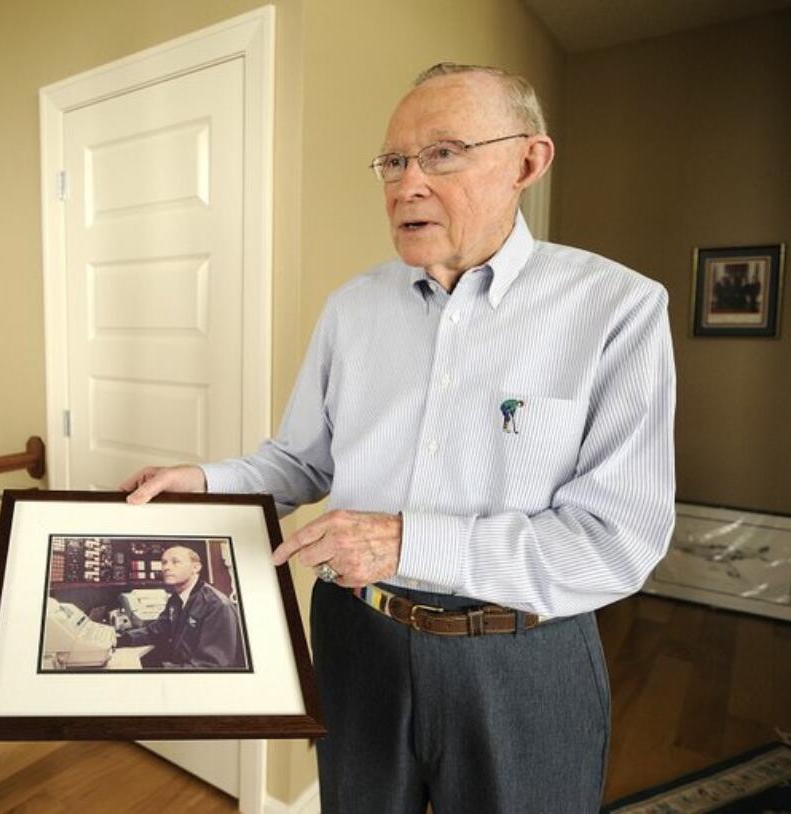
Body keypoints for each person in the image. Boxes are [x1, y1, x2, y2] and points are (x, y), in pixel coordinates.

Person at [121, 62, 675, 813]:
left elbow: (615, 541)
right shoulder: (351, 309)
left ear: (528, 162)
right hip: (356, 637)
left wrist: (406, 542)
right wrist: (207, 481)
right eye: (393, 161)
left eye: (444, 153)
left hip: (521, 655)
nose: (407, 183)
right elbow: (301, 461)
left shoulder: (617, 309)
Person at [116, 545, 246, 669]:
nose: (166, 567)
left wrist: (158, 670)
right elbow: (157, 631)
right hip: (180, 666)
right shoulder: (176, 599)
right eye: (164, 562)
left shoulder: (216, 605)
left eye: (175, 562)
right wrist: (121, 639)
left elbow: (211, 666)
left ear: (196, 567)